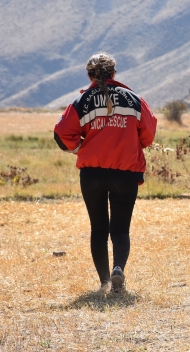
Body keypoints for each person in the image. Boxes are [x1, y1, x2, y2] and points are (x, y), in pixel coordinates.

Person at [54, 52, 157, 293]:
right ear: (114, 73)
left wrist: (80, 148)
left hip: (92, 174)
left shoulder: (83, 101)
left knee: (98, 229)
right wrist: (130, 143)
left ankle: (104, 282)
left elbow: (61, 134)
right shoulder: (134, 100)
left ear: (89, 75)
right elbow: (149, 135)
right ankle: (118, 269)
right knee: (120, 229)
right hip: (126, 173)